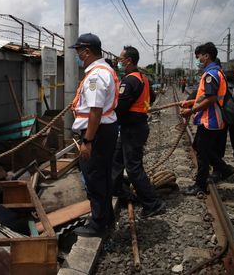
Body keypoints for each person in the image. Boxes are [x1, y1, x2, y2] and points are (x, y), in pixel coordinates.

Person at [70, 33, 119, 237]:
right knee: (104, 175)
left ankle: (98, 225)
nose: (78, 55)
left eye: (78, 51)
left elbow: (95, 111)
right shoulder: (105, 69)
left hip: (97, 133)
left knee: (94, 177)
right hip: (105, 130)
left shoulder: (96, 76)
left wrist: (87, 141)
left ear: (87, 51)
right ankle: (106, 218)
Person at [113, 46, 166, 218]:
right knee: (117, 159)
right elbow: (152, 97)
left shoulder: (129, 81)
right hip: (137, 126)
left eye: (121, 59)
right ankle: (118, 190)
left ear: (128, 61)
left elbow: (120, 108)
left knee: (133, 168)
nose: (119, 62)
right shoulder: (142, 78)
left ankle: (153, 203)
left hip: (132, 129)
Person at [180, 42, 234, 195]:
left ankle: (200, 185)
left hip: (210, 119)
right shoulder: (215, 72)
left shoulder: (210, 74)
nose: (198, 59)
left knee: (202, 152)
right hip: (211, 118)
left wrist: (191, 110)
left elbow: (211, 99)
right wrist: (191, 102)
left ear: (207, 56)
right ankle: (224, 168)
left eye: (200, 56)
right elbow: (205, 96)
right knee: (199, 146)